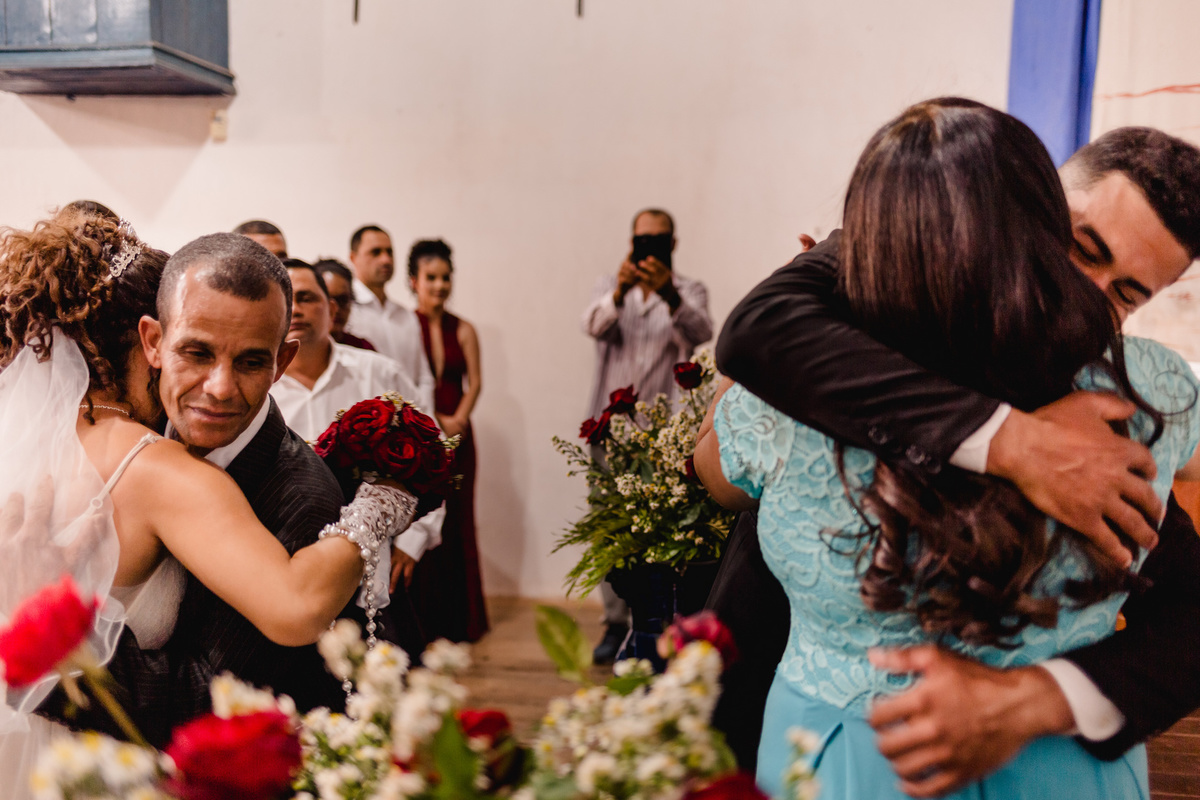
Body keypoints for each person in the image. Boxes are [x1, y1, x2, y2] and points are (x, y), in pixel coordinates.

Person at [694, 98, 1200, 798]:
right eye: (1084, 250)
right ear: (1032, 211)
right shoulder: (811, 358)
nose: (1085, 298)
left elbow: (1186, 612)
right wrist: (1011, 441)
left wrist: (1043, 698)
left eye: (1125, 295)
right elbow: (758, 333)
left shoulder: (1124, 407)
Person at [0, 217, 414, 791]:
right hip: (93, 753)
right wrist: (382, 504)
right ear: (151, 341)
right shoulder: (159, 467)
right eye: (193, 350)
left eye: (249, 360)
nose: (219, 387)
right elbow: (297, 604)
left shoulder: (27, 446)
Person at [581, 208, 714, 662]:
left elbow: (701, 333)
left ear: (673, 245)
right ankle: (614, 621)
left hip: (658, 435)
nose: (650, 247)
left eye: (659, 240)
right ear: (631, 241)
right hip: (608, 428)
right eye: (643, 240)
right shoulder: (608, 286)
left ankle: (652, 622)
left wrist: (670, 294)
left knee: (653, 530)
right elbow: (593, 327)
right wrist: (619, 291)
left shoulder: (689, 290)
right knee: (607, 528)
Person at [270, 258, 444, 599]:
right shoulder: (256, 386)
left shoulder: (379, 373)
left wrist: (414, 538)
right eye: (285, 299)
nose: (295, 309)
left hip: (374, 565)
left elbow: (434, 456)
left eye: (306, 298)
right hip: (281, 564)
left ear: (331, 308)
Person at [405, 239, 488, 643]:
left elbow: (476, 381)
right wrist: (433, 420)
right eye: (431, 278)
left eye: (445, 278)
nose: (439, 285)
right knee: (423, 515)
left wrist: (459, 418)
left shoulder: (465, 328)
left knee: (458, 520)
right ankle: (428, 619)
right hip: (421, 432)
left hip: (459, 434)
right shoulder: (405, 326)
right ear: (413, 281)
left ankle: (463, 620)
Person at [343, 224, 436, 412]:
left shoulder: (406, 315)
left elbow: (423, 377)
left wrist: (422, 418)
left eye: (389, 252)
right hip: (365, 421)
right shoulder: (347, 313)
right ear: (353, 258)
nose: (386, 259)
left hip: (410, 422)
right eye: (375, 252)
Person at [315, 258, 377, 351]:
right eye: (327, 300)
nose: (335, 309)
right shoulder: (296, 349)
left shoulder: (363, 349)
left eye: (342, 300)